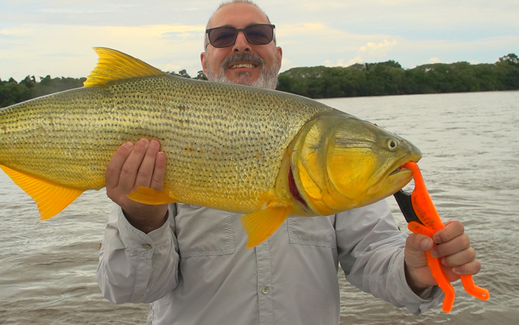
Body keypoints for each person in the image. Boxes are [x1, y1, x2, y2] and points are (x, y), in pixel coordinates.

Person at [96, 1, 482, 324]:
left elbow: (372, 255)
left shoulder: (323, 152)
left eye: (258, 34)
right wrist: (142, 218)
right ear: (204, 58)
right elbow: (127, 290)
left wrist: (415, 271)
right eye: (223, 36)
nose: (241, 44)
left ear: (277, 55)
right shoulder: (160, 135)